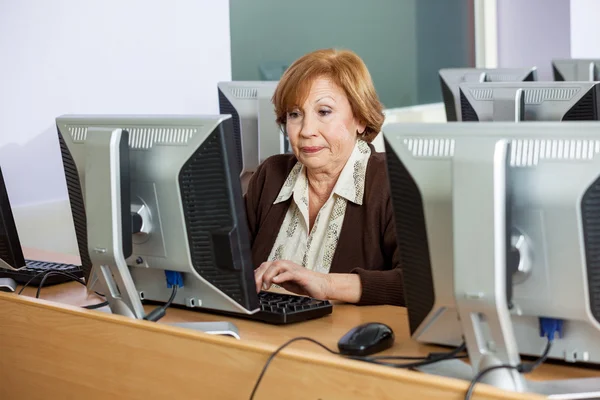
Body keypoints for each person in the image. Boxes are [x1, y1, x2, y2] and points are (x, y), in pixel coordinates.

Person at [245, 48, 404, 306]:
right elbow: (224, 263)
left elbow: (417, 283)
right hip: (263, 338)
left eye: (324, 112)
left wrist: (325, 283)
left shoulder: (391, 182)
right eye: (295, 114)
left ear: (360, 118)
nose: (306, 130)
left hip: (341, 342)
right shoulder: (270, 176)